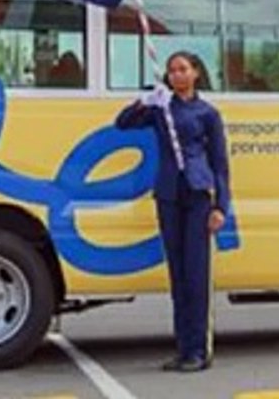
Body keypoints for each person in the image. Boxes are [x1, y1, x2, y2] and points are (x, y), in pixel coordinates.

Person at [115, 51, 231, 372]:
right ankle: (183, 348)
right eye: (172, 71)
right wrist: (145, 101)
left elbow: (220, 165)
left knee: (196, 275)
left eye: (183, 69)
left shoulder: (207, 113)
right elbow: (122, 124)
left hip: (197, 196)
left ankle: (198, 350)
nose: (177, 75)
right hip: (169, 195)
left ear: (196, 73)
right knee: (178, 275)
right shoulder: (162, 108)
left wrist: (221, 206)